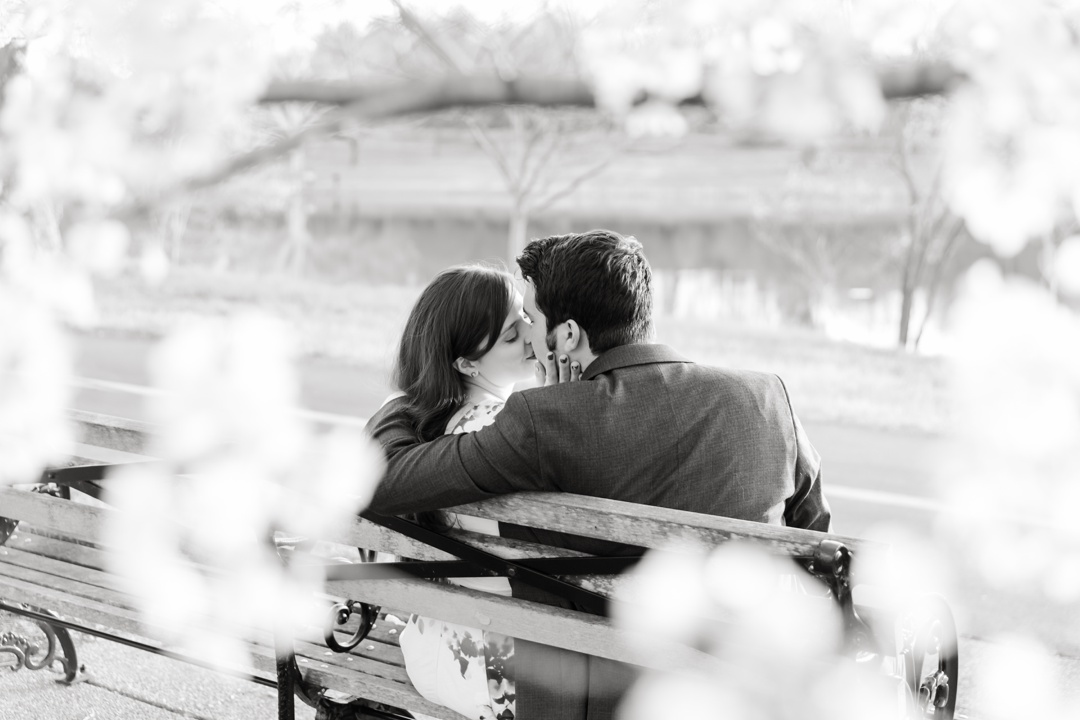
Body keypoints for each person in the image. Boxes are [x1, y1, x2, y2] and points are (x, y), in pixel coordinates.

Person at [366, 229, 831, 720]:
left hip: (605, 696)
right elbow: (813, 534)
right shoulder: (764, 398)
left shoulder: (543, 422)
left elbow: (383, 478)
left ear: (566, 336)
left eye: (531, 317)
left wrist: (409, 401)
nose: (527, 331)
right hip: (743, 686)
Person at [387, 264, 536, 720]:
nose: (532, 337)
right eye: (512, 336)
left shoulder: (426, 428)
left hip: (432, 650)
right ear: (467, 363)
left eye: (527, 320)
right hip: (501, 679)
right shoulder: (511, 432)